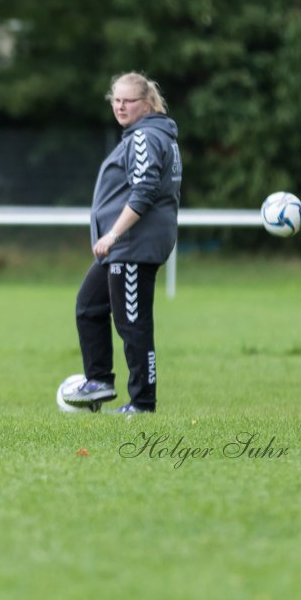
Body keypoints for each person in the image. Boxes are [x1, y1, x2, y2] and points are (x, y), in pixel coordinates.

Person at [63, 72, 181, 414]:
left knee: (133, 323)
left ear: (147, 104)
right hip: (124, 247)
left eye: (128, 100)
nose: (120, 106)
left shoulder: (144, 137)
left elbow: (144, 191)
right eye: (116, 100)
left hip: (132, 244)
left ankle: (143, 403)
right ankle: (98, 382)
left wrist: (113, 233)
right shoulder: (149, 135)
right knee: (89, 307)